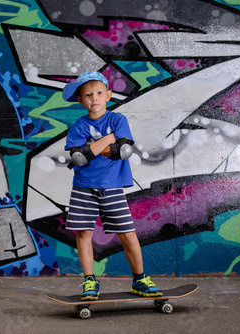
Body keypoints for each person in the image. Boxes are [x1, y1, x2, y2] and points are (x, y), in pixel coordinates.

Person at [62, 71, 162, 301]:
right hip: (84, 186)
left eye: (98, 93)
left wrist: (92, 147)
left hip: (112, 186)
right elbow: (78, 158)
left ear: (108, 95)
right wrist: (109, 140)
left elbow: (123, 152)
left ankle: (140, 279)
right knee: (84, 233)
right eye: (88, 95)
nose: (94, 98)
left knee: (127, 234)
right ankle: (89, 281)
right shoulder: (78, 126)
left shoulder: (118, 120)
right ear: (80, 100)